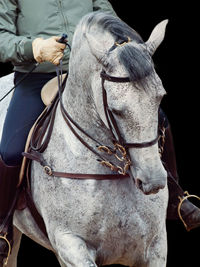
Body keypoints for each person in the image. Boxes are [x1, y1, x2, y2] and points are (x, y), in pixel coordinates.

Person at [0, 0, 199, 264]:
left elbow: (112, 22)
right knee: (11, 151)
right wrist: (34, 47)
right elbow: (2, 38)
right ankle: (3, 227)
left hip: (97, 73)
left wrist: (126, 49)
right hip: (37, 76)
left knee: (158, 119)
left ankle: (176, 197)